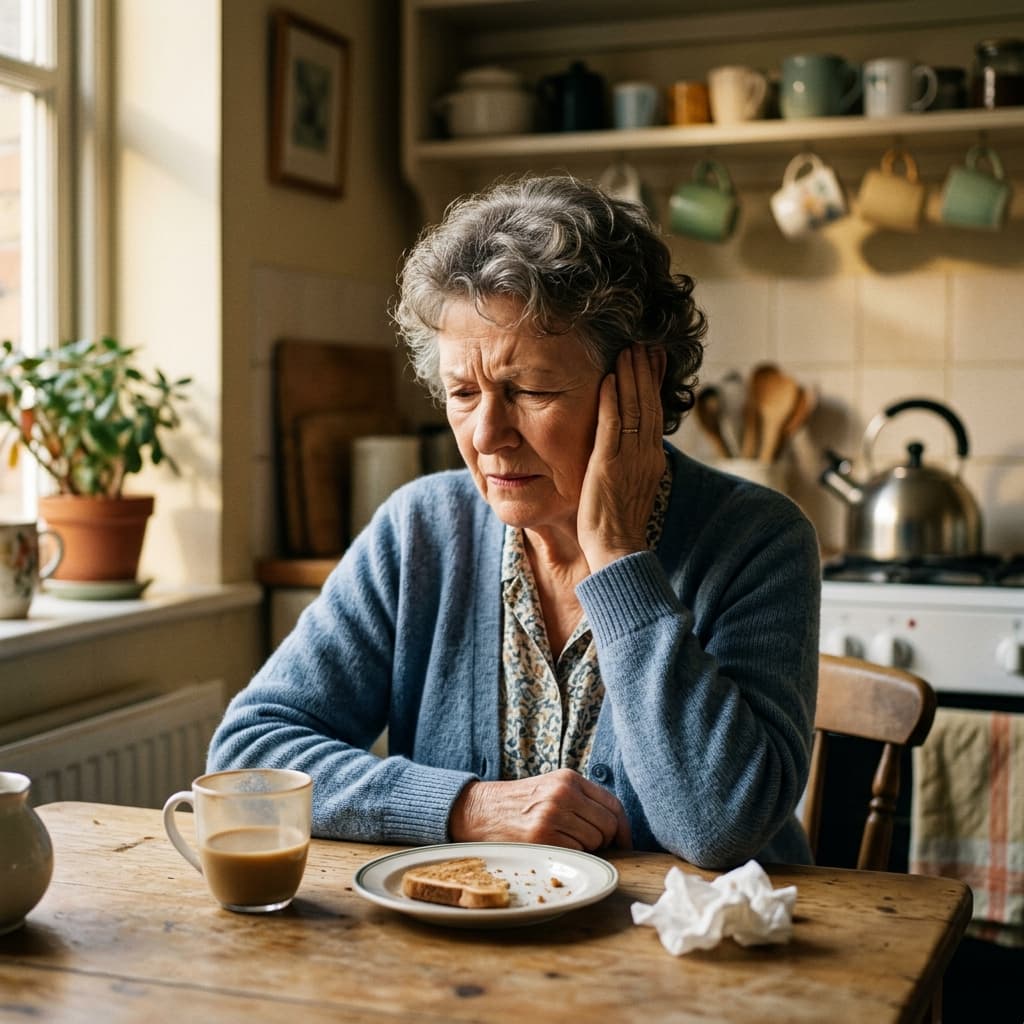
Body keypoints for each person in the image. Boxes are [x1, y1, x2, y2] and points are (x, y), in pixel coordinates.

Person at [208, 175, 821, 869]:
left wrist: (618, 556)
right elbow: (249, 758)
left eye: (528, 390)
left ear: (638, 384)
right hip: (469, 960)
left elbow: (718, 827)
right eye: (463, 393)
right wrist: (468, 808)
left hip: (705, 958)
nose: (488, 434)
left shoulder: (758, 540)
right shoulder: (420, 531)